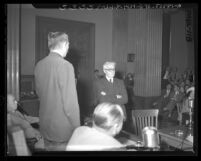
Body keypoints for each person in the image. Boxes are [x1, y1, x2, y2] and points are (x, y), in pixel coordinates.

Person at [34, 32, 80, 151]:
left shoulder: (39, 64)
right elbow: (70, 103)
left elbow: (39, 94)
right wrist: (77, 128)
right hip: (62, 130)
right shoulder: (66, 65)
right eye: (68, 45)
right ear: (65, 44)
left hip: (45, 126)